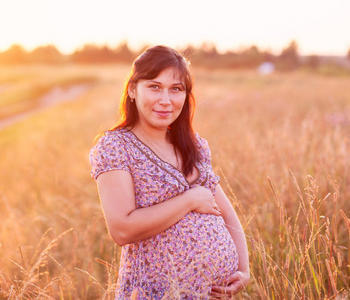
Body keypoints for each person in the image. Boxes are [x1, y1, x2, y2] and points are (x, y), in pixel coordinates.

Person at [89, 45, 250, 299]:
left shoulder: (192, 146)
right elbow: (122, 229)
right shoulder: (116, 146)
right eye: (154, 86)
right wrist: (190, 199)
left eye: (176, 89)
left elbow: (227, 213)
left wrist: (243, 270)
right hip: (155, 293)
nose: (166, 100)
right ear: (132, 89)